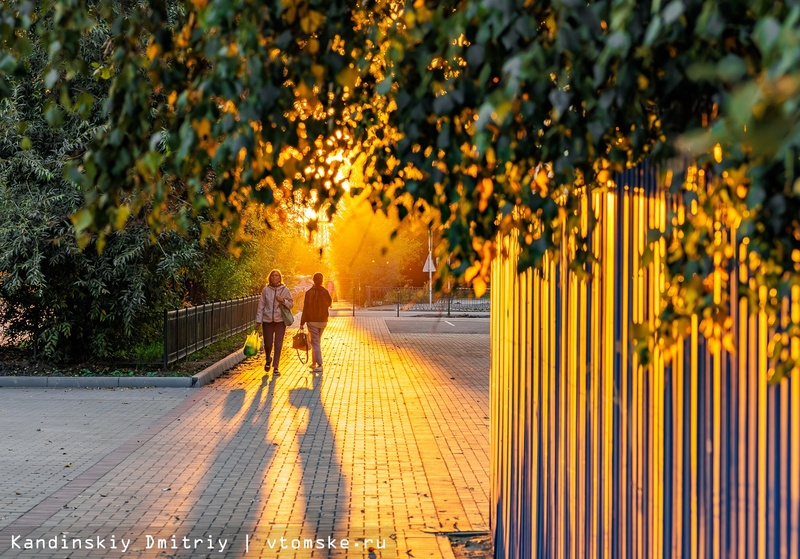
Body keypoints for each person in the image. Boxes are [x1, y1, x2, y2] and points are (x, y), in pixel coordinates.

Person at [256, 269, 294, 376]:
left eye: (276, 275)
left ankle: (276, 367)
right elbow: (261, 306)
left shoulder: (285, 290)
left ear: (280, 278)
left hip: (280, 321)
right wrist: (258, 321)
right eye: (272, 275)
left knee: (278, 344)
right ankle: (268, 358)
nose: (274, 277)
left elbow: (291, 304)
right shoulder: (266, 290)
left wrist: (283, 300)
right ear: (270, 278)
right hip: (267, 320)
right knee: (267, 344)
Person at [300, 272, 333, 373]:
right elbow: (329, 303)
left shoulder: (309, 292)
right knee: (316, 341)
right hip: (323, 321)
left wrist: (302, 322)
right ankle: (314, 363)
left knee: (315, 342)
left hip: (312, 320)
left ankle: (319, 364)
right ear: (322, 280)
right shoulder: (325, 292)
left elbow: (305, 308)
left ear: (313, 280)